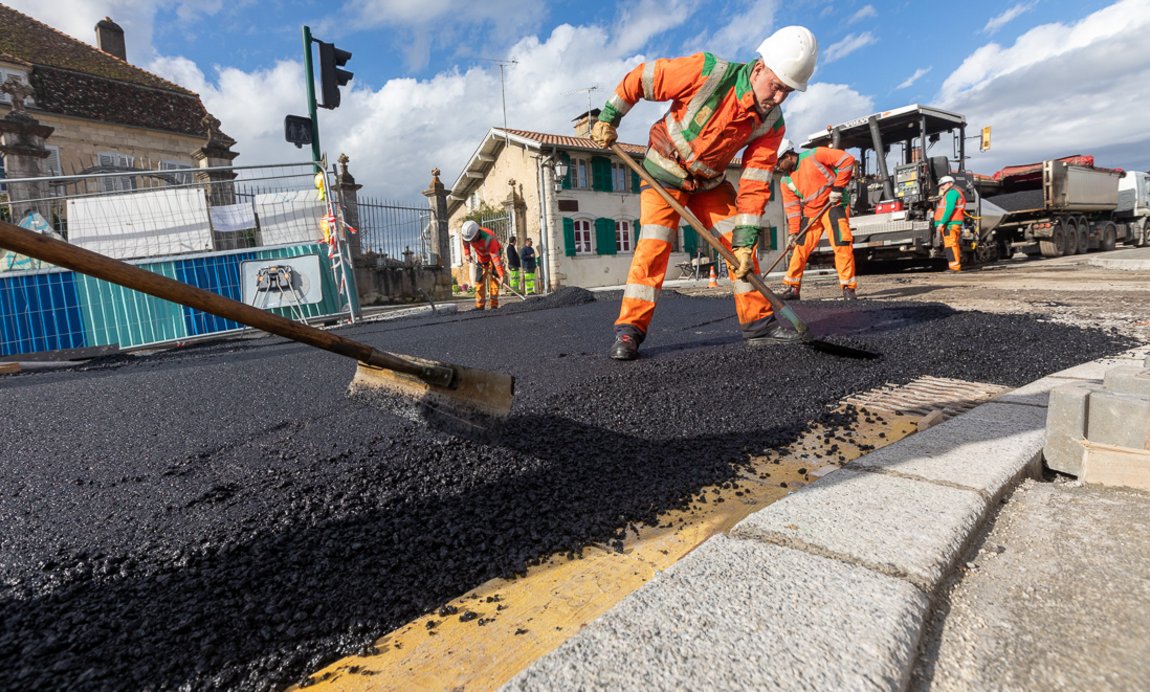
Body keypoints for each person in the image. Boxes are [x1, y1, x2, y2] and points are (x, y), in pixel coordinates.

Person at [590, 26, 819, 361]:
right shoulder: (708, 73)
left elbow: (755, 181)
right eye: (777, 86)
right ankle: (629, 331)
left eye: (788, 91)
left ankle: (758, 326)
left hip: (708, 183)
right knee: (653, 246)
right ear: (759, 68)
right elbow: (642, 78)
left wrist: (745, 239)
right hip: (664, 173)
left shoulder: (773, 123)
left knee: (741, 250)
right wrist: (609, 117)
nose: (780, 97)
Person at [774, 139, 858, 301]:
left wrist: (838, 188)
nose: (776, 167)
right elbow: (792, 209)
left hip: (833, 204)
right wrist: (793, 232)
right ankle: (793, 288)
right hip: (812, 212)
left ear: (789, 156)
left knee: (841, 244)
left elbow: (847, 160)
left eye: (778, 162)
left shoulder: (816, 155)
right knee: (799, 248)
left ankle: (848, 288)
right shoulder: (786, 181)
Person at [460, 220, 505, 310]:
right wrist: (467, 254)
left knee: (494, 281)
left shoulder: (489, 239)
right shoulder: (468, 236)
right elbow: (465, 243)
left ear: (477, 233)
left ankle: (494, 306)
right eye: (470, 240)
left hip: (494, 255)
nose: (471, 241)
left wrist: (501, 274)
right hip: (482, 258)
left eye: (472, 239)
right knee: (479, 281)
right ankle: (479, 306)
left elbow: (496, 259)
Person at [933, 175, 966, 272]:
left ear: (951, 183)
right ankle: (954, 266)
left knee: (950, 245)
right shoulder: (952, 193)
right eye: (940, 185)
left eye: (943, 184)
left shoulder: (952, 193)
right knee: (952, 244)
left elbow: (949, 209)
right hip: (951, 223)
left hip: (950, 224)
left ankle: (954, 267)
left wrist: (941, 223)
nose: (941, 187)